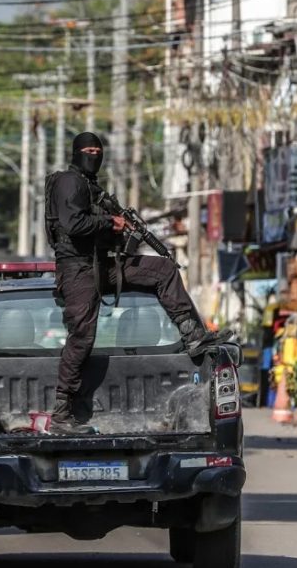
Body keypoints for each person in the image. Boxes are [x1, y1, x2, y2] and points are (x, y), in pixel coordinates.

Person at [45, 131, 229, 433]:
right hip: (77, 269)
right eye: (88, 150)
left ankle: (192, 334)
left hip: (101, 265)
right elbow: (73, 224)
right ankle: (62, 412)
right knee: (82, 335)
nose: (94, 155)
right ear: (76, 153)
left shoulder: (90, 186)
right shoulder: (69, 181)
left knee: (163, 269)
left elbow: (94, 226)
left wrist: (120, 228)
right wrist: (110, 222)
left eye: (97, 150)